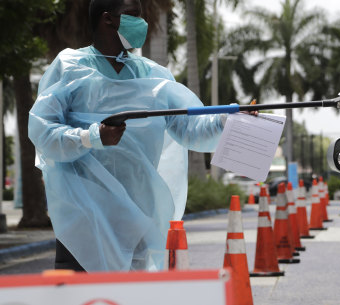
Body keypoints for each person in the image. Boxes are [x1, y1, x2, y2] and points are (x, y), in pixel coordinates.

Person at [28, 0, 232, 272]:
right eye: (133, 15)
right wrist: (93, 136)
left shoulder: (153, 76)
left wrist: (226, 120)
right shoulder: (69, 66)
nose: (142, 23)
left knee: (133, 296)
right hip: (85, 216)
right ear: (108, 19)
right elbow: (43, 132)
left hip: (137, 218)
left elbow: (189, 129)